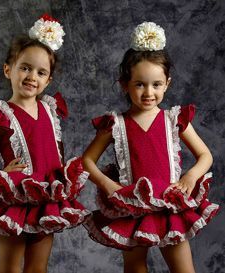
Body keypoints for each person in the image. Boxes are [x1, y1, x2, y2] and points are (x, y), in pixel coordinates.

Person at [0, 14, 90, 273]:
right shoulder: (2, 113)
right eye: (25, 68)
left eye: (41, 72)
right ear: (9, 69)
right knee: (9, 268)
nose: (32, 77)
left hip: (47, 197)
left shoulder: (50, 109)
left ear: (48, 80)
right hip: (14, 199)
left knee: (38, 267)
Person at [83, 22, 219, 273]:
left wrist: (190, 176)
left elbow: (205, 155)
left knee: (184, 269)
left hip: (169, 206)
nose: (148, 92)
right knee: (135, 267)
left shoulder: (174, 120)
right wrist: (107, 184)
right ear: (125, 84)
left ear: (167, 83)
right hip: (132, 207)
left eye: (156, 84)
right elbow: (86, 161)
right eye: (140, 84)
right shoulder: (116, 124)